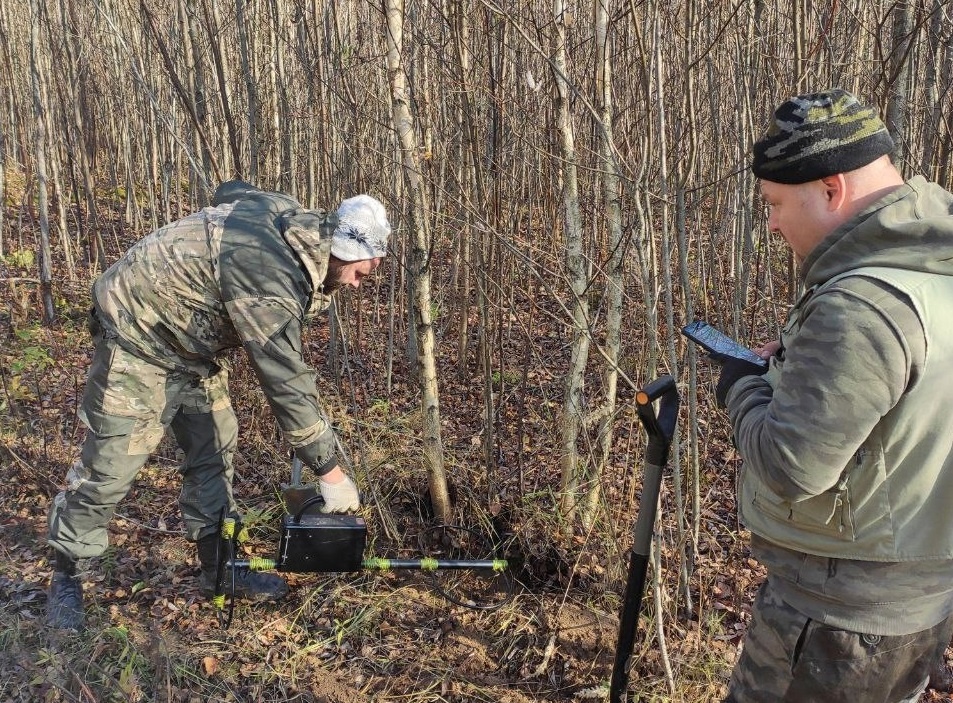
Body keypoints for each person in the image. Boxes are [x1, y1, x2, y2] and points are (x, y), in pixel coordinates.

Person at [45, 180, 391, 631]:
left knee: (214, 453)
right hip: (137, 337)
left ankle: (221, 569)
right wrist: (330, 471)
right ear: (341, 249)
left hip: (193, 350)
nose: (365, 281)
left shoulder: (290, 217)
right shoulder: (268, 277)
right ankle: (67, 574)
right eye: (363, 271)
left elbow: (232, 192)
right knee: (111, 466)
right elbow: (283, 380)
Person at [715, 90, 953, 702]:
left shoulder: (860, 308)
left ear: (830, 188)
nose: (769, 222)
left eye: (773, 203)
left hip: (835, 623)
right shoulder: (933, 274)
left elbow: (791, 466)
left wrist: (740, 386)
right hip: (917, 600)